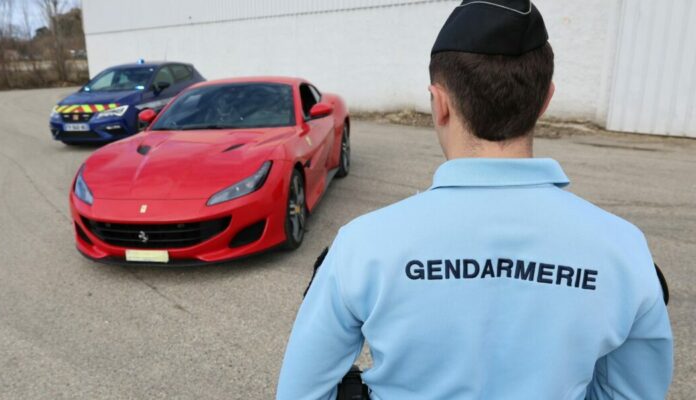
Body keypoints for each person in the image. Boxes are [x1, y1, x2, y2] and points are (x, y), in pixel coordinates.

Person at [276, 1, 674, 399]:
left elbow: (302, 392)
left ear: (440, 103)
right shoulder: (624, 251)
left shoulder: (362, 246)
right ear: (545, 100)